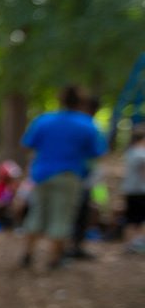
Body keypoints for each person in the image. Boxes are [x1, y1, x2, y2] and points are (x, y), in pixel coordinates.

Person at [19, 85, 107, 271]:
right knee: (62, 217)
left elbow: (28, 144)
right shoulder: (86, 124)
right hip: (69, 175)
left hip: (41, 174)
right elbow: (97, 152)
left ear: (60, 99)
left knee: (37, 213)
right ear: (80, 102)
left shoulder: (43, 120)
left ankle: (28, 254)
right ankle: (54, 259)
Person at [66, 94, 104, 259]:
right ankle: (71, 246)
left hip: (81, 176)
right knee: (77, 212)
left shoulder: (80, 124)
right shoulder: (87, 125)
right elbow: (98, 152)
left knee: (81, 211)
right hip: (78, 176)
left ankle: (73, 246)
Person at [123, 123, 145, 254]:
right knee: (141, 218)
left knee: (131, 218)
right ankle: (138, 242)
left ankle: (130, 243)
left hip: (130, 190)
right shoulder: (141, 154)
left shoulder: (130, 152)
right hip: (141, 190)